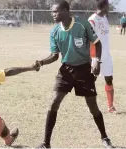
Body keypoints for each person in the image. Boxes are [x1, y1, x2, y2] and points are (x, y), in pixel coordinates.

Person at [35, 0, 114, 148]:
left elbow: (97, 42)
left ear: (65, 10)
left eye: (56, 11)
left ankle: (105, 138)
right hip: (66, 71)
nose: (53, 14)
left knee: (93, 107)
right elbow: (54, 55)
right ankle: (46, 143)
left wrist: (96, 60)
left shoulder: (82, 24)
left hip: (84, 69)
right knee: (54, 103)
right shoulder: (54, 31)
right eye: (52, 11)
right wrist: (41, 62)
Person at [88, 0, 116, 113]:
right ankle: (91, 106)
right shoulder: (92, 20)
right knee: (91, 80)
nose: (109, 8)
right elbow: (87, 38)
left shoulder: (105, 18)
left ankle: (110, 106)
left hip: (106, 56)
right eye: (108, 6)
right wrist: (92, 58)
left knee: (109, 79)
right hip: (95, 56)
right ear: (104, 6)